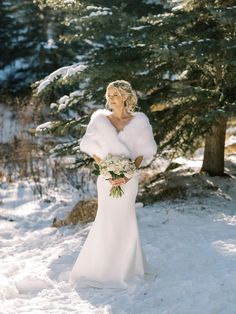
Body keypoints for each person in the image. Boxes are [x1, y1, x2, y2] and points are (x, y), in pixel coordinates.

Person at [69, 80, 157, 289]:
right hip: (106, 179)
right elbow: (93, 150)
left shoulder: (139, 122)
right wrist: (107, 171)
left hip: (129, 180)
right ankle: (99, 269)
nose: (110, 98)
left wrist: (128, 174)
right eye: (108, 95)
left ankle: (128, 268)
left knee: (126, 219)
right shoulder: (99, 121)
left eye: (115, 94)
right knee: (106, 219)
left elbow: (141, 153)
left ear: (126, 96)